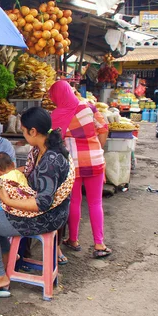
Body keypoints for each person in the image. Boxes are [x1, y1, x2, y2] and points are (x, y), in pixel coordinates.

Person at [0, 107, 75, 297]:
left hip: (47, 216)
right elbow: (30, 171)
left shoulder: (50, 160)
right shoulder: (41, 149)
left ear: (33, 131)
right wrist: (2, 174)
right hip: (45, 208)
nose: (23, 133)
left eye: (23, 130)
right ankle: (5, 260)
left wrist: (8, 200)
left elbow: (41, 203)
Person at [49, 80, 112, 259]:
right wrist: (97, 148)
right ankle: (99, 244)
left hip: (73, 164)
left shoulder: (56, 115)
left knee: (74, 201)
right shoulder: (89, 107)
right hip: (95, 160)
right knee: (95, 203)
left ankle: (74, 240)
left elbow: (53, 141)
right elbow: (103, 128)